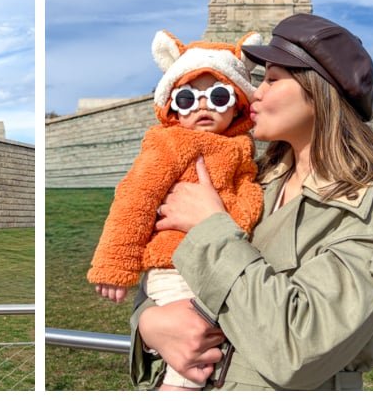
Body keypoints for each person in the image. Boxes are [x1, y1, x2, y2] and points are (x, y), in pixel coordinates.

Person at [132, 14, 373, 391]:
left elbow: (299, 348)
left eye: (272, 79)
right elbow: (167, 270)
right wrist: (149, 324)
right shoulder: (252, 181)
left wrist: (209, 228)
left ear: (319, 91)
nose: (254, 93)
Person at [88, 30, 264, 391]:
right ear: (172, 107)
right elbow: (135, 199)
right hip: (175, 265)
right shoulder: (169, 143)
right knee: (191, 351)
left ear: (238, 104)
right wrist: (114, 263)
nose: (202, 106)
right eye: (187, 98)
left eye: (218, 96)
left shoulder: (241, 147)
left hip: (217, 262)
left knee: (212, 347)